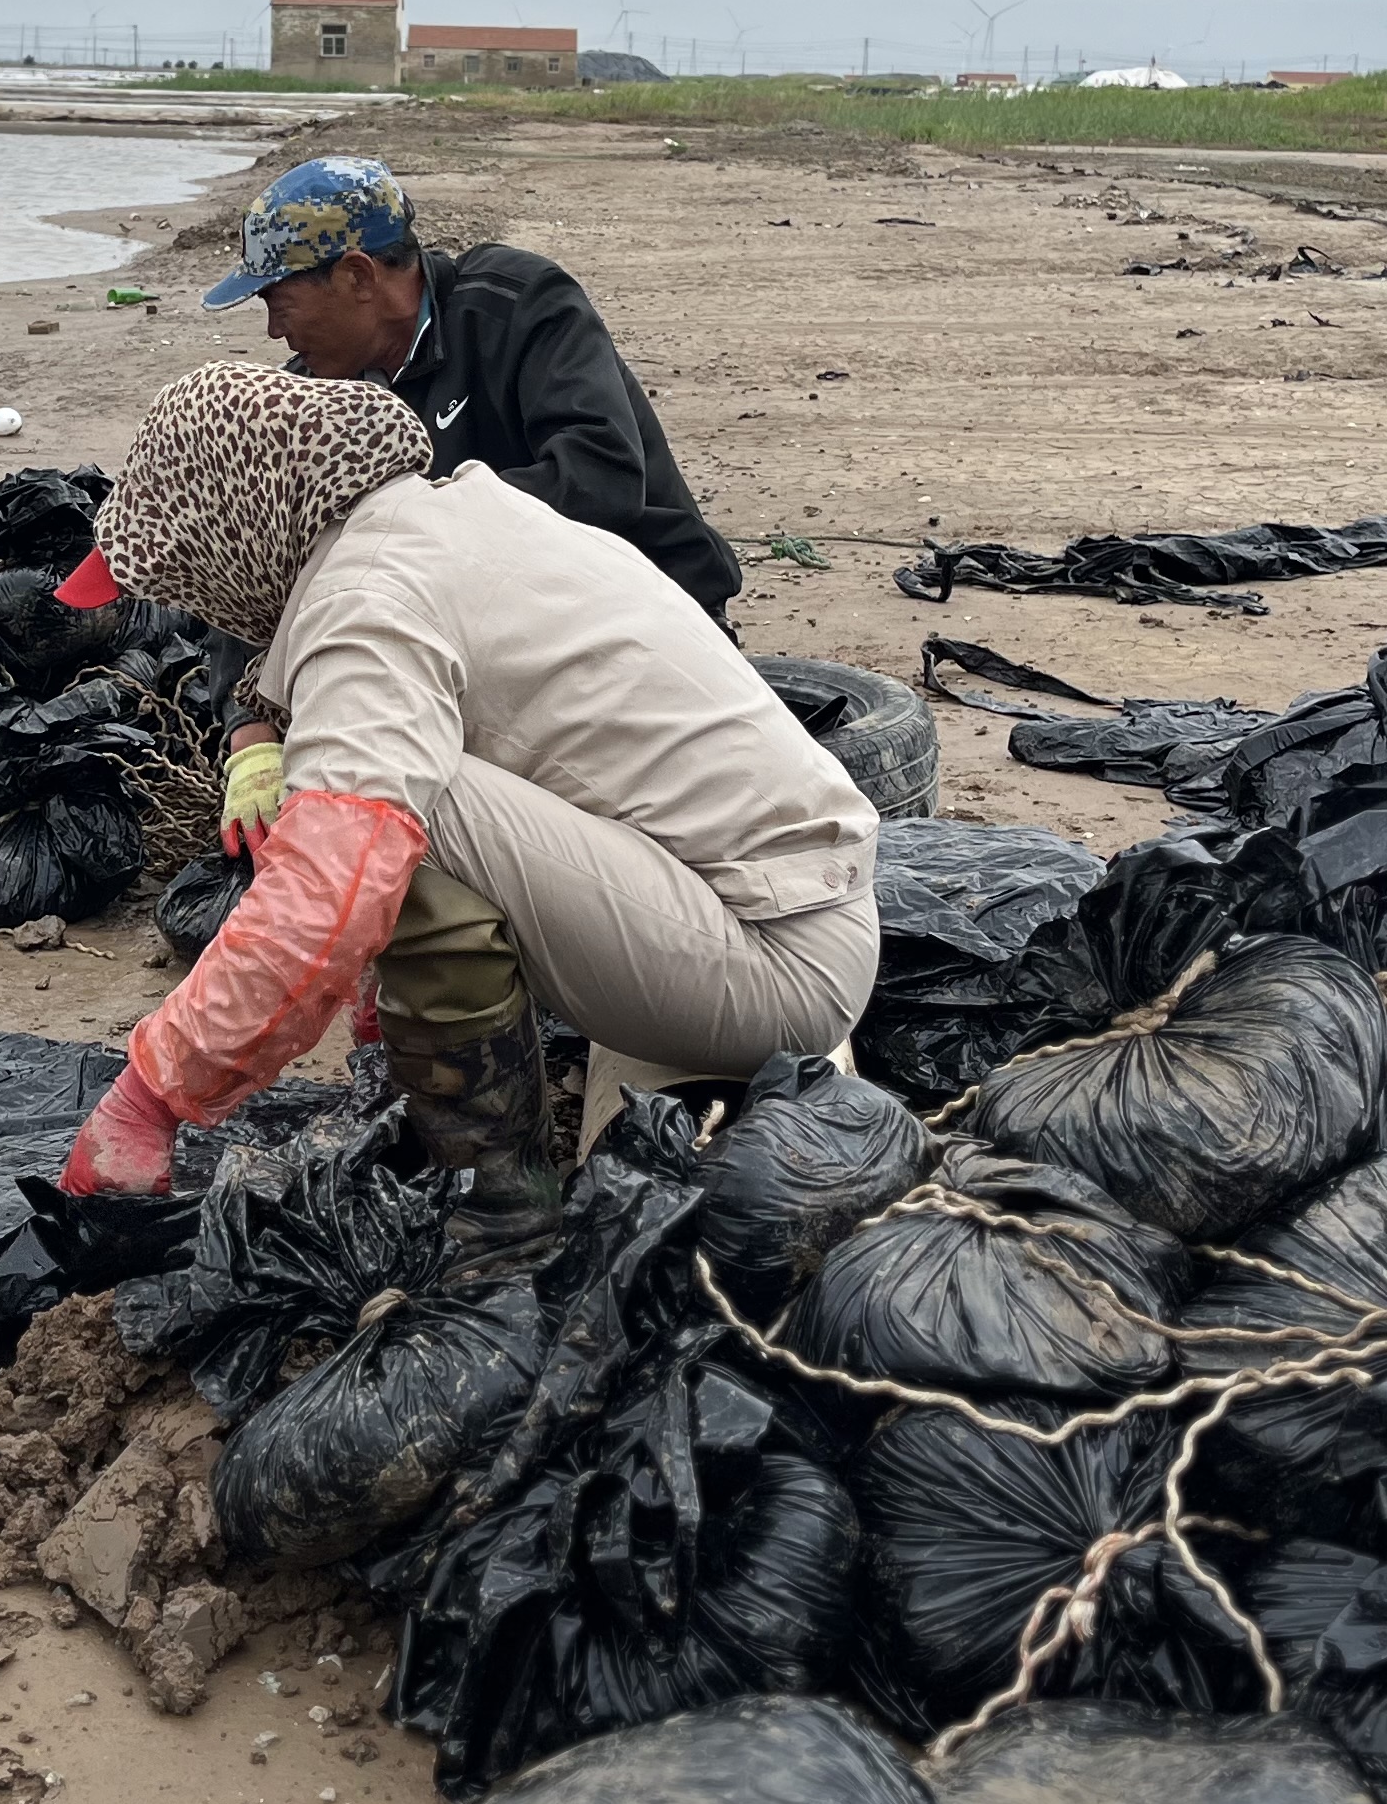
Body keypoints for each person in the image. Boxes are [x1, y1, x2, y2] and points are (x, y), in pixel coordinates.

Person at [50, 362, 876, 1267]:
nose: (195, 600)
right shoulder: (451, 513)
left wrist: (151, 1096)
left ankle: (499, 1210)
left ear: (233, 525)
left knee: (376, 811)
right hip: (796, 904)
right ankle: (430, 1084)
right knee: (378, 783)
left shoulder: (365, 603)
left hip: (775, 968)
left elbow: (331, 892)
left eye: (184, 574)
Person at [205, 155, 739, 624]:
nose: (274, 331)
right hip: (487, 625)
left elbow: (601, 479)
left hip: (646, 607)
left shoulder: (520, 304)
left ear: (358, 277)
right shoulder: (316, 389)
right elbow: (274, 545)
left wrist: (405, 524)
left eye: (280, 305)